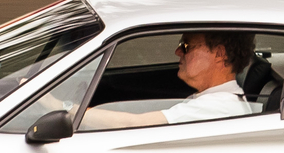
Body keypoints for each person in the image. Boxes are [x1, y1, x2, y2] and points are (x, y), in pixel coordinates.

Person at [82, 31, 255, 129]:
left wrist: (67, 110)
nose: (178, 52)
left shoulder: (217, 108)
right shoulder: (217, 101)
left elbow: (134, 124)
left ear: (219, 54)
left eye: (186, 46)